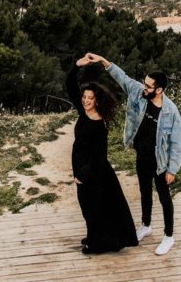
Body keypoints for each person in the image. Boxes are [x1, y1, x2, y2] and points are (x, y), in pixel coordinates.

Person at [83, 52, 181, 256]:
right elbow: (123, 78)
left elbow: (176, 142)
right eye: (144, 84)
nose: (144, 87)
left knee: (165, 198)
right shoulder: (139, 93)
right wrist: (103, 61)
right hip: (142, 157)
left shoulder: (170, 112)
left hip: (161, 162)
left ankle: (169, 236)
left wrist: (172, 169)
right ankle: (146, 225)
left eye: (148, 86)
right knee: (145, 192)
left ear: (159, 89)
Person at [66, 56, 138, 255]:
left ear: (97, 100)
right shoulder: (83, 112)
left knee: (92, 208)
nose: (86, 101)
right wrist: (76, 67)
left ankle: (96, 244)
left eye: (90, 98)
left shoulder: (100, 125)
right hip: (83, 167)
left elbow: (99, 157)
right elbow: (71, 87)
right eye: (85, 97)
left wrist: (83, 174)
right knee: (88, 207)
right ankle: (94, 236)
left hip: (94, 173)